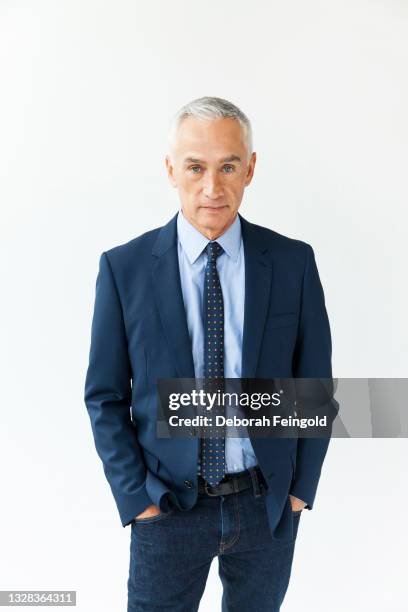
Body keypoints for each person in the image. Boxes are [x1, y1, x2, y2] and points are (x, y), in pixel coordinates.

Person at [84, 96, 332, 611]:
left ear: (251, 169)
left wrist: (298, 491)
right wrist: (139, 500)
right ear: (171, 169)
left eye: (228, 166)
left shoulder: (292, 263)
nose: (212, 188)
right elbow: (105, 397)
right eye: (195, 167)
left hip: (266, 507)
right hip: (169, 508)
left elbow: (315, 388)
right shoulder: (123, 269)